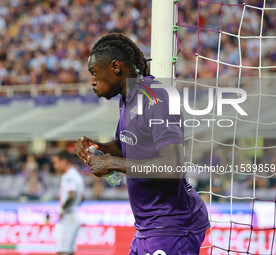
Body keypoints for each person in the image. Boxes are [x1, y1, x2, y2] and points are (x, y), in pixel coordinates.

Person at [74, 33, 210, 255]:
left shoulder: (155, 98)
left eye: (94, 73)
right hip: (148, 228)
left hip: (172, 227)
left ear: (115, 67)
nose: (92, 81)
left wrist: (113, 162)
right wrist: (98, 147)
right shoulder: (129, 100)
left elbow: (172, 166)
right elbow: (126, 147)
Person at [52, 151, 84, 255]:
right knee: (69, 251)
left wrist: (63, 210)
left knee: (62, 251)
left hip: (68, 216)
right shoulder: (77, 175)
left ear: (64, 162)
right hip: (74, 216)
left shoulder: (68, 176)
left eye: (56, 162)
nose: (55, 166)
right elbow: (82, 197)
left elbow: (72, 194)